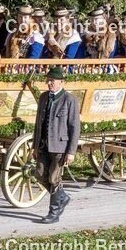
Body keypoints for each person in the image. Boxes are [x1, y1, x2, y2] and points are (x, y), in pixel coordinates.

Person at [32, 66, 80, 224]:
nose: (49, 83)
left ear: (61, 82)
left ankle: (54, 213)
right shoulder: (43, 97)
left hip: (60, 147)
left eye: (52, 80)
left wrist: (71, 152)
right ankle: (62, 197)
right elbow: (38, 124)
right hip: (43, 146)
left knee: (54, 178)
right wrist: (34, 146)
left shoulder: (69, 100)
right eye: (48, 80)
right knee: (39, 175)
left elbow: (74, 127)